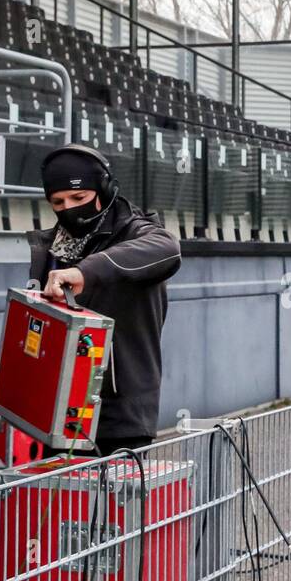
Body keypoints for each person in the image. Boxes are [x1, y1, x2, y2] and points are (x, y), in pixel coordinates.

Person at [27, 143, 181, 452]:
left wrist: (86, 272)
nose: (68, 208)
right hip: (58, 413)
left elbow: (169, 249)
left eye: (79, 198)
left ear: (105, 190)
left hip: (120, 417)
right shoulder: (49, 248)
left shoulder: (137, 231)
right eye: (58, 201)